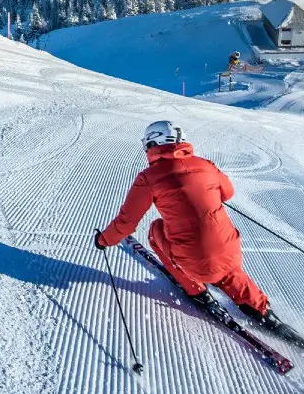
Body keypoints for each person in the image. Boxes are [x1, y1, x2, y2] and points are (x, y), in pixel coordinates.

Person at [94, 120, 283, 330]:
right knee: (225, 263)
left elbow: (126, 222)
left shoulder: (149, 178)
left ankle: (196, 291)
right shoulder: (206, 165)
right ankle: (261, 309)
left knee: (156, 229)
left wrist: (104, 240)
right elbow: (227, 193)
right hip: (231, 251)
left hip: (193, 261)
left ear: (153, 144)